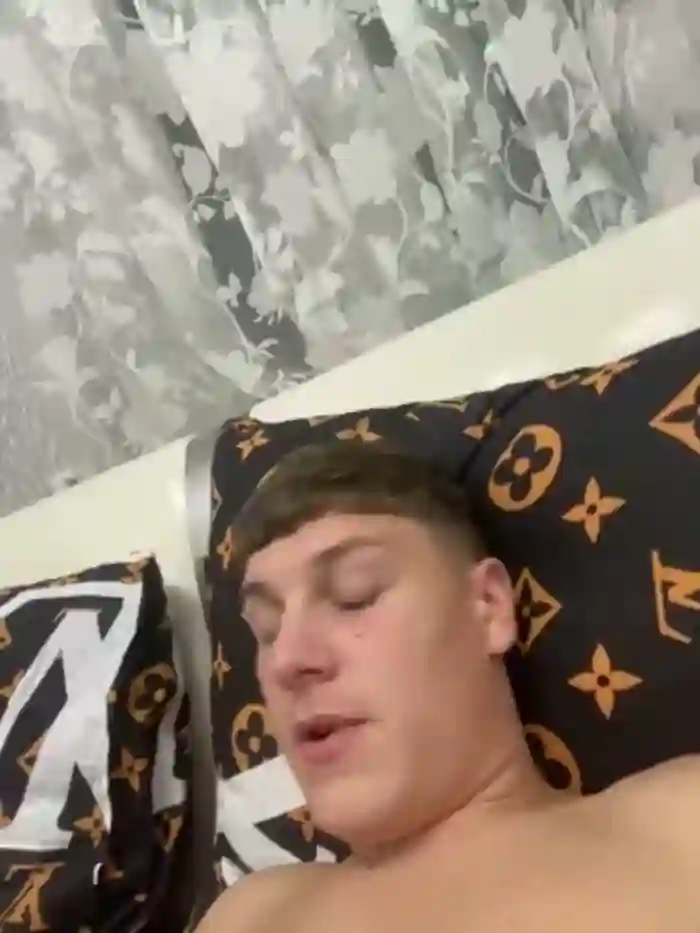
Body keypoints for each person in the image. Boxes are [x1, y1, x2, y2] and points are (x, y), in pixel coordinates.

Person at [198, 441, 700, 933]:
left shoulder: (680, 829)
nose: (286, 660)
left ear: (489, 606)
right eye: (265, 630)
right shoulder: (246, 915)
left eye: (356, 595)